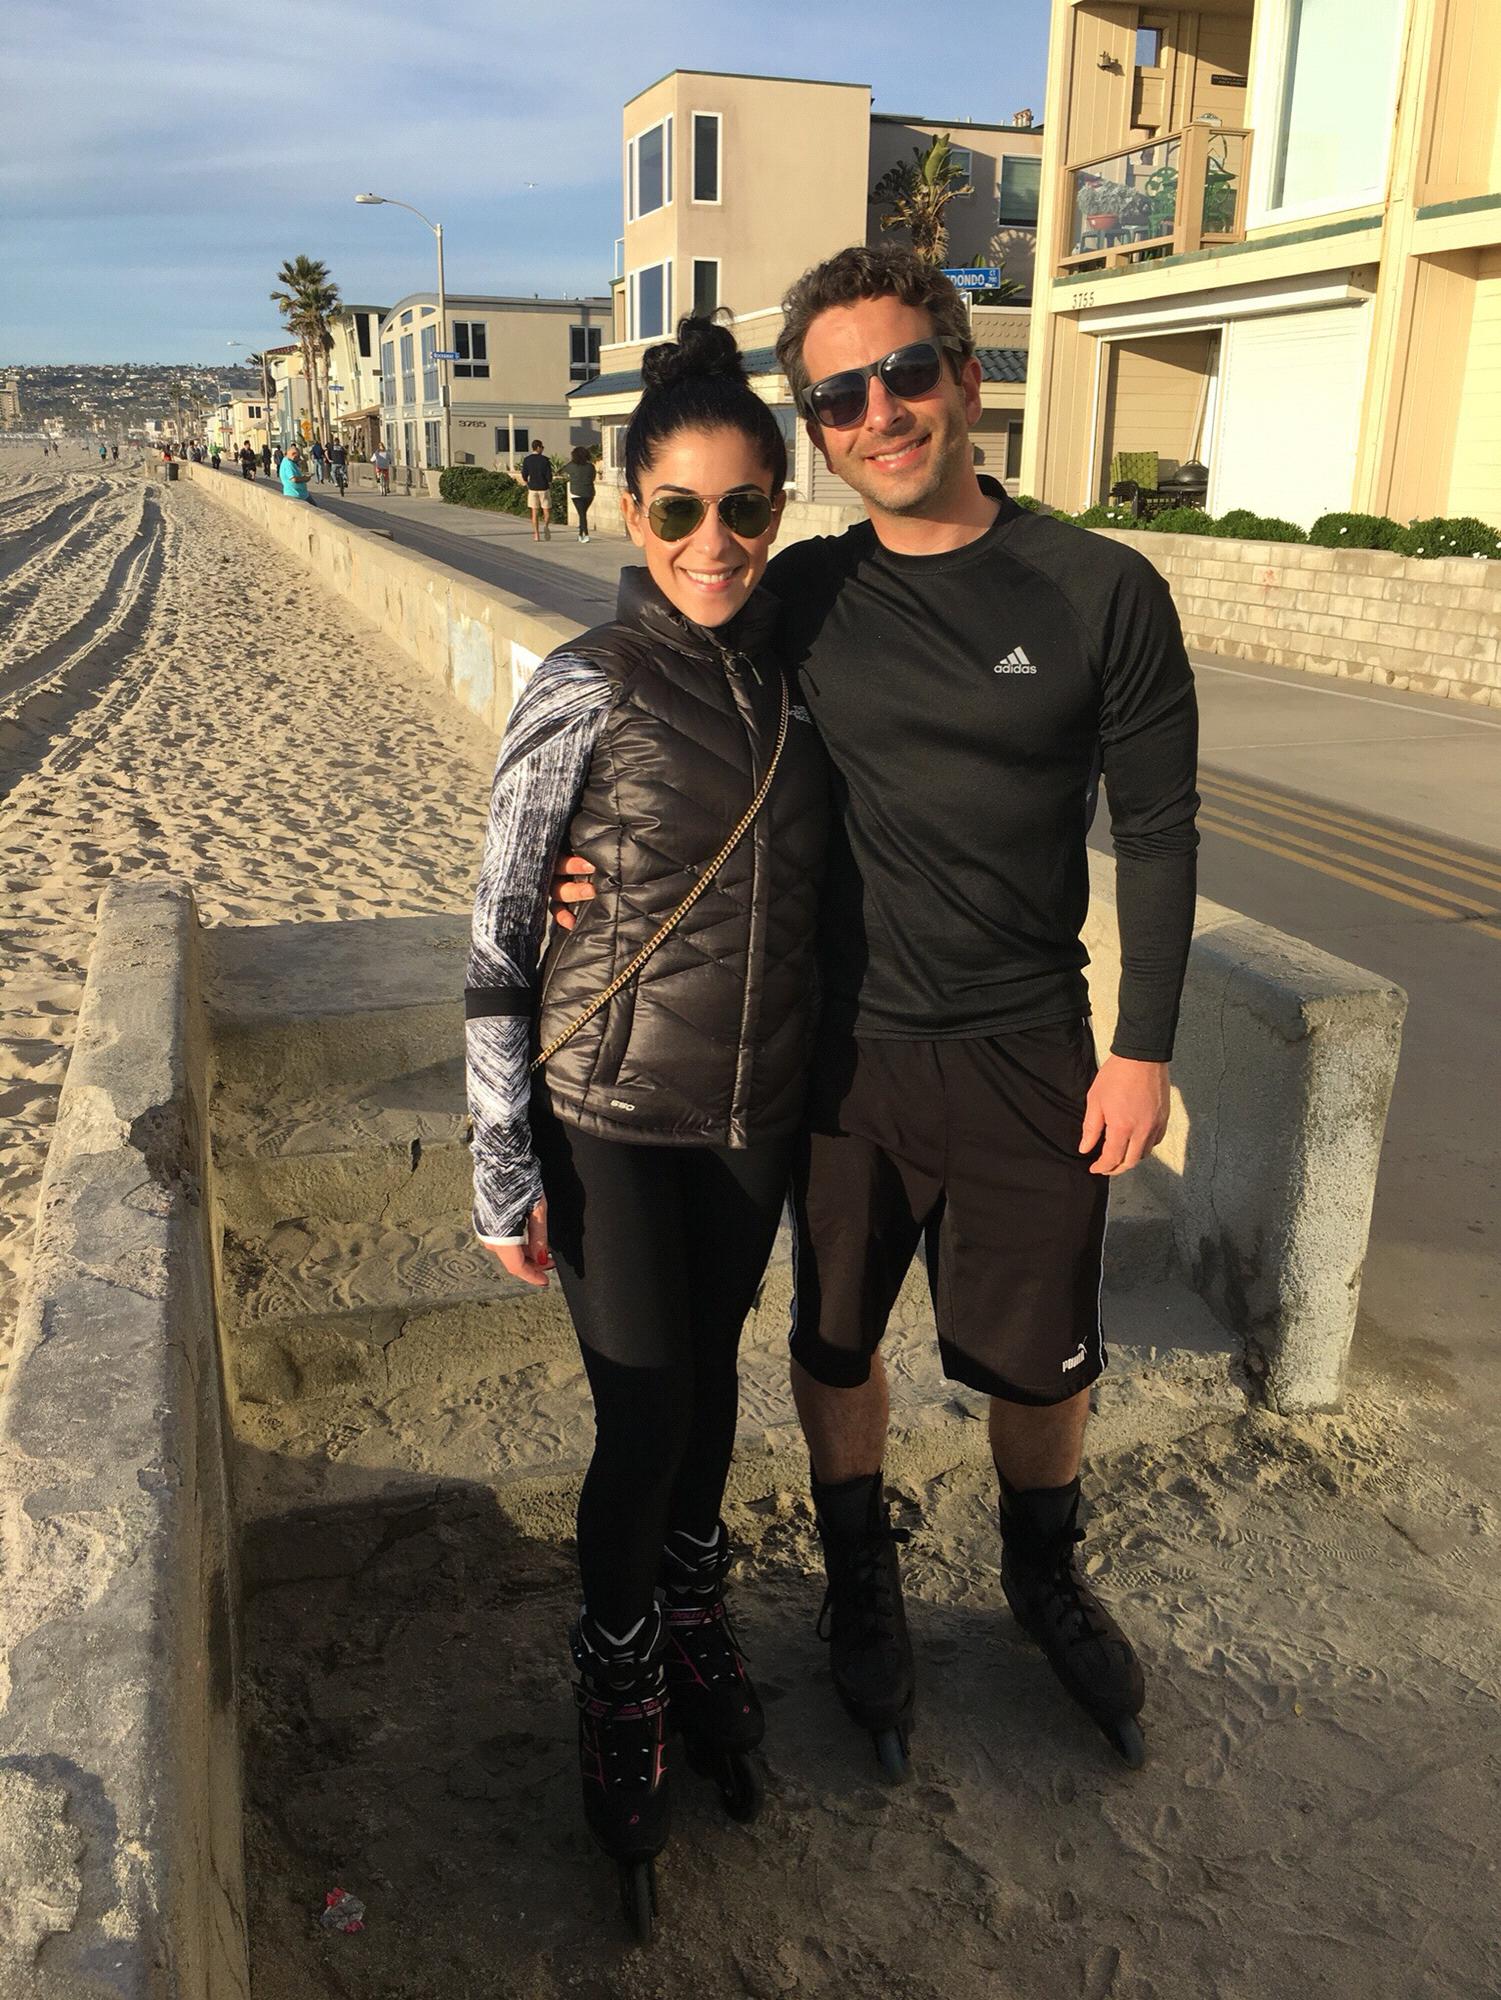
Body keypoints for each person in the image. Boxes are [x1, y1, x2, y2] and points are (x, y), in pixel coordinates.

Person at [552, 246, 1200, 1777]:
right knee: (836, 1343)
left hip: (1034, 1046)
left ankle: (1042, 1573)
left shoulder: (1101, 590)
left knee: (1043, 1361)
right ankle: (861, 1587)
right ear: (820, 432)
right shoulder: (809, 592)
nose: (880, 411)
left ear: (969, 378)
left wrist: (1144, 1048)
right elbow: (661, 670)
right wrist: (579, 869)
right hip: (834, 1059)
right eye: (840, 394)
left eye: (908, 373)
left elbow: (1160, 830)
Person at [464, 317, 826, 1939]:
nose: (714, 544)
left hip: (749, 1118)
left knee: (715, 1395)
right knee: (645, 1412)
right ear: (628, 512)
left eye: (745, 509)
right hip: (607, 1111)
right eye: (678, 511)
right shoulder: (584, 685)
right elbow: (495, 937)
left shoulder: (797, 686)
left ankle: (693, 1616)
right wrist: (499, 1162)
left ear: (780, 509)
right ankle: (618, 1682)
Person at [521, 440, 554, 540]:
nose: (543, 449)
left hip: (533, 488)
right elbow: (549, 475)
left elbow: (524, 474)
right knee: (546, 510)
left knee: (534, 511)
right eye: (542, 447)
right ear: (539, 447)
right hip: (544, 487)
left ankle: (536, 534)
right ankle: (546, 526)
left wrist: (527, 483)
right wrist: (549, 483)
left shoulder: (527, 460)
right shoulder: (545, 460)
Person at [565, 445, 596, 542]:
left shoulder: (571, 466)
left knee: (582, 514)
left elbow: (563, 470)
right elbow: (593, 478)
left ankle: (586, 534)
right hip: (589, 493)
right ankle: (580, 534)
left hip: (576, 493)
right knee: (582, 513)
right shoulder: (591, 466)